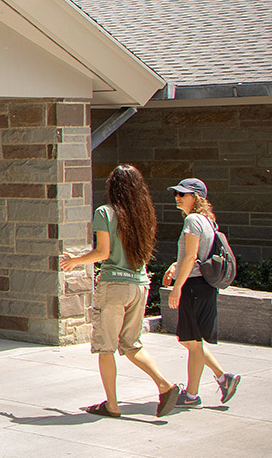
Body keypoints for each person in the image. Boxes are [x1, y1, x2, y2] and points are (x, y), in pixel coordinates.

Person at [59, 165, 181, 417]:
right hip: (139, 284)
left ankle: (112, 405)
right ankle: (164, 385)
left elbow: (103, 253)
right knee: (131, 344)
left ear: (113, 187)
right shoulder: (144, 214)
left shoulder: (105, 213)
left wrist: (75, 260)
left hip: (114, 286)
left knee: (106, 347)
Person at [162, 177, 240, 408]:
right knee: (188, 340)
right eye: (176, 193)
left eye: (182, 194)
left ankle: (192, 396)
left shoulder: (193, 220)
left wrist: (177, 287)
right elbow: (197, 255)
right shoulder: (207, 220)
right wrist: (176, 267)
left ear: (196, 197)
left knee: (193, 342)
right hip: (203, 287)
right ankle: (223, 378)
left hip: (194, 286)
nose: (177, 197)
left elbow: (191, 256)